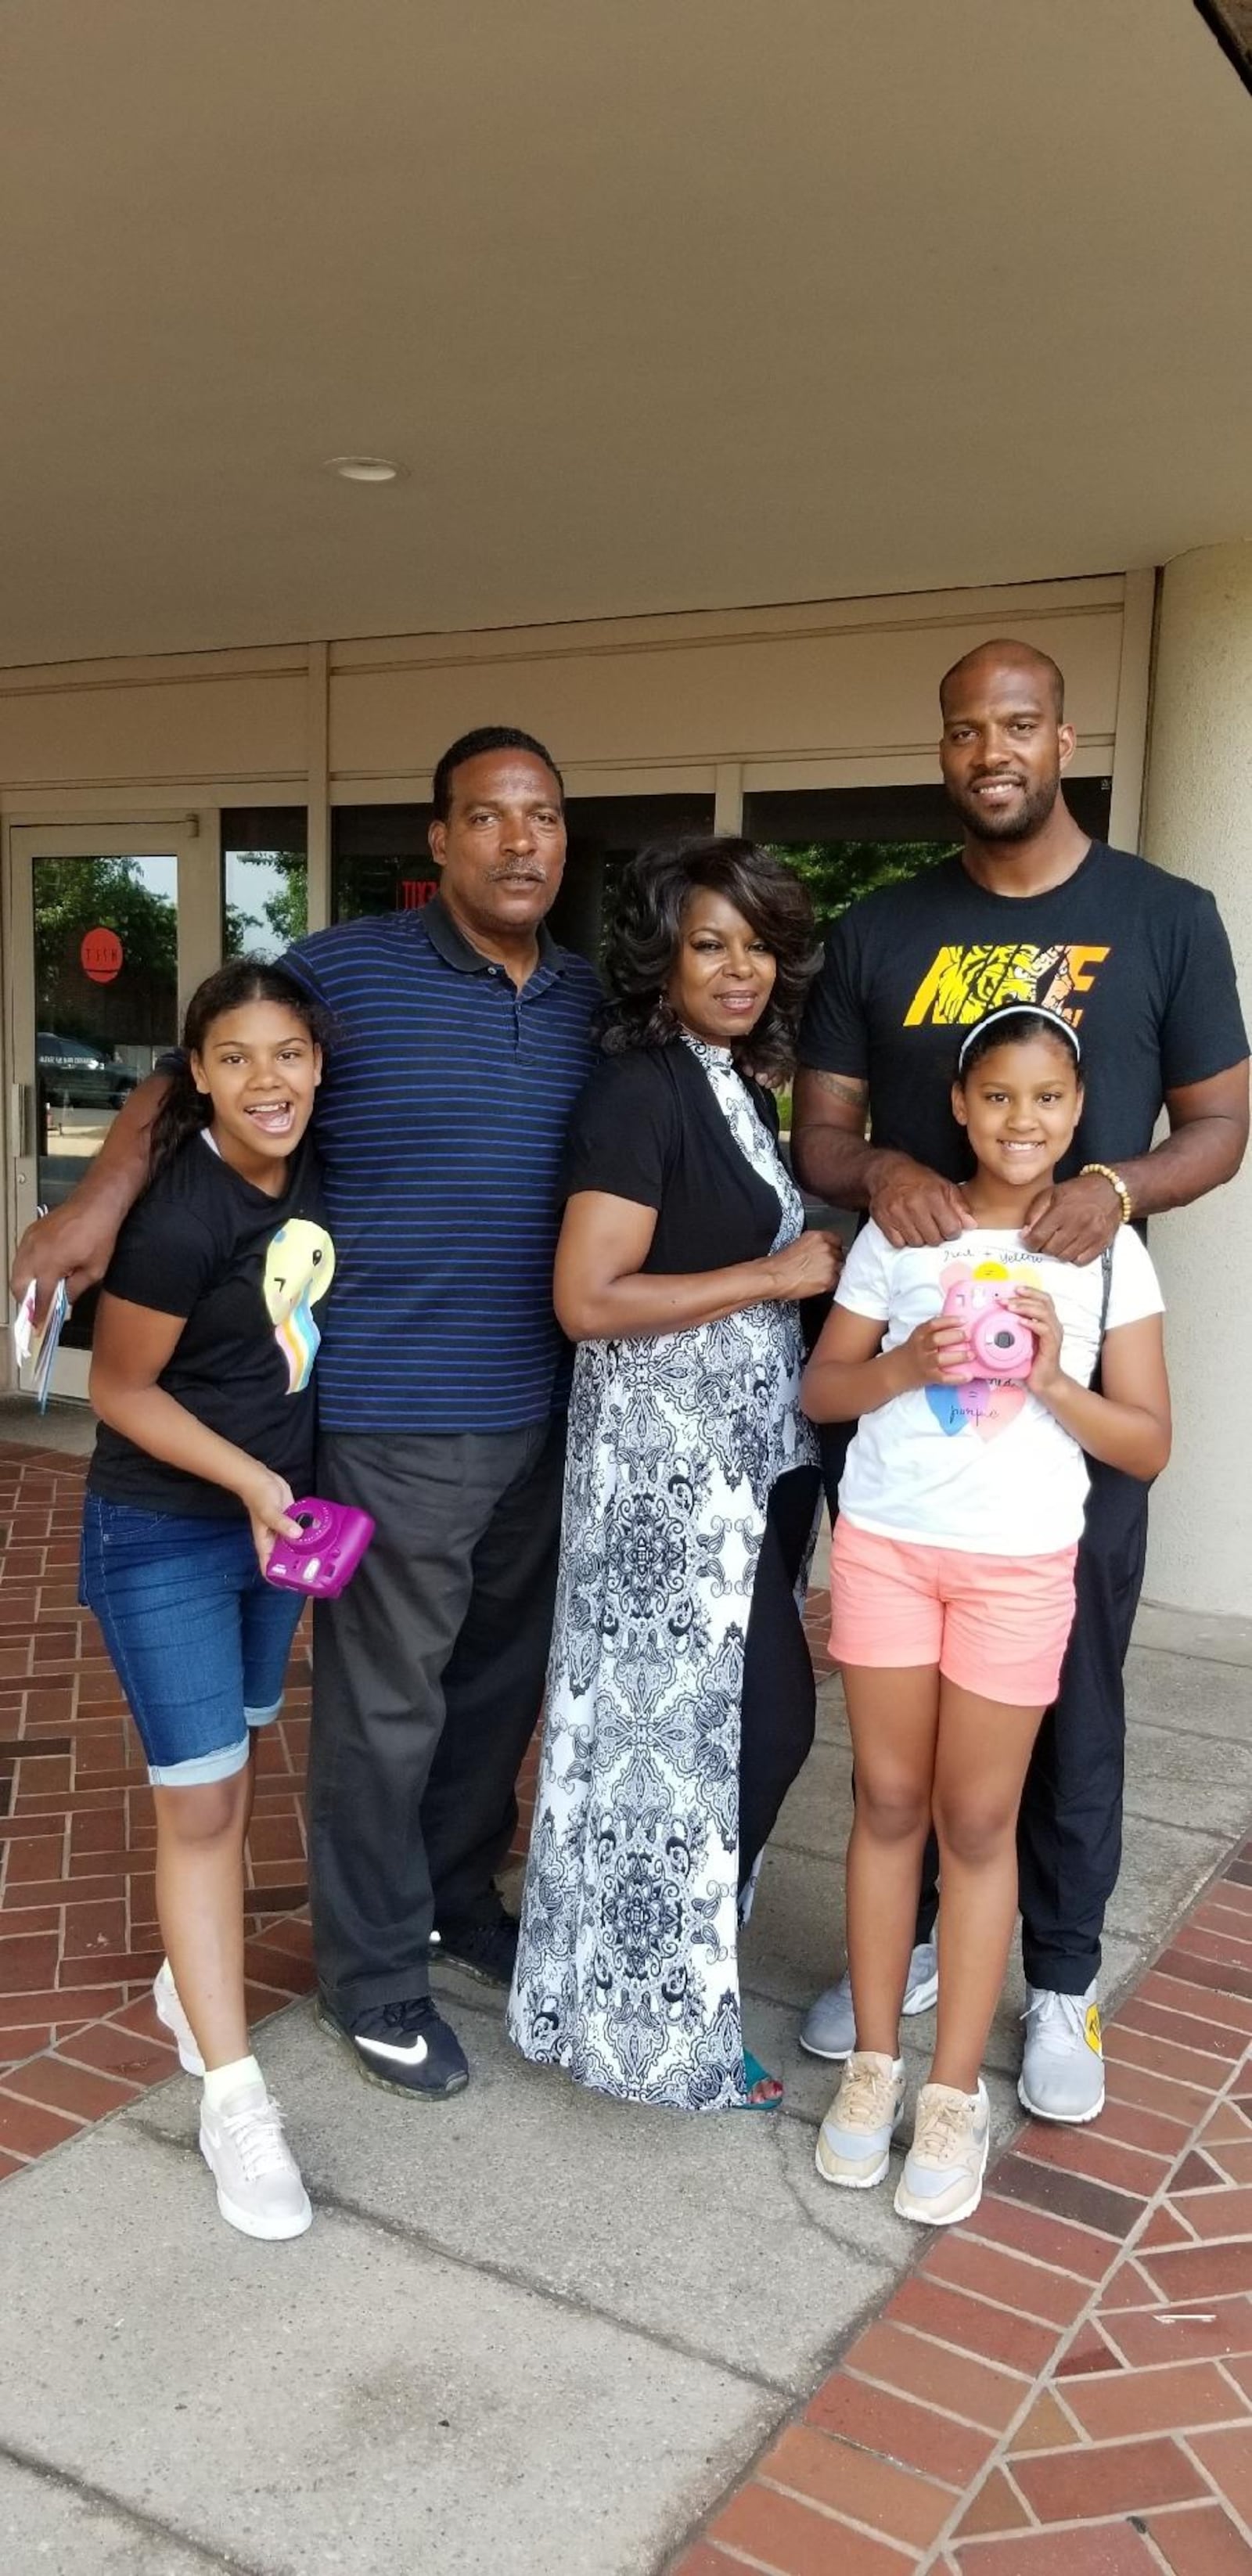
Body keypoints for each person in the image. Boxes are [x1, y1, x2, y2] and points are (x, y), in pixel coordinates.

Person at [14, 727, 603, 2105]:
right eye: (490, 818)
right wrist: (99, 1199)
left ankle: (457, 1900)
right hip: (393, 1412)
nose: (522, 842)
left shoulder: (589, 997)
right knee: (383, 1717)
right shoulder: (344, 973)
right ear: (440, 841)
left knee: (490, 1697)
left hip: (545, 1408)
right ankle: (372, 1973)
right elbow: (187, 1074)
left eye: (544, 818)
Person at [793, 639, 1248, 2123]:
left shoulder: (1166, 918)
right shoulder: (879, 932)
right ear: (943, 752)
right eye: (966, 730)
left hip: (1067, 1386)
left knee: (1077, 1694)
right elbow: (827, 1139)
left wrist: (1113, 1188)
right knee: (921, 1732)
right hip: (923, 1424)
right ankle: (921, 1946)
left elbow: (1222, 1124)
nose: (993, 749)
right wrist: (890, 1169)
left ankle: (1063, 1979)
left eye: (1021, 723)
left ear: (1065, 738)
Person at [802, 1003, 1171, 2224]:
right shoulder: (905, 1232)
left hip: (1019, 1566)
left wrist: (1056, 1374)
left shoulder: (1109, 1249)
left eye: (1049, 1099)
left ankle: (953, 2095)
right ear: (959, 1108)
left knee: (976, 1819)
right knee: (889, 1802)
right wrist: (910, 1362)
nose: (1024, 1120)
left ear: (1081, 1115)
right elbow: (825, 1387)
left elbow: (1150, 1443)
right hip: (892, 1548)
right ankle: (872, 2064)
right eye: (998, 1096)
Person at [507, 838, 841, 2110]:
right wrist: (773, 1275)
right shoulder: (641, 1091)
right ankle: (654, 2013)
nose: (741, 967)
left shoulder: (732, 1082)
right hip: (664, 1479)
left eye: (757, 944)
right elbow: (587, 1298)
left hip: (741, 1470)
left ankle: (660, 1986)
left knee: (717, 1738)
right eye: (712, 943)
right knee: (704, 1738)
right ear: (664, 959)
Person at [81, 959, 333, 2240]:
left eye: (286, 1052)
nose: (267, 1082)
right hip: (169, 1533)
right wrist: (249, 1480)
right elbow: (118, 1390)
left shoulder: (319, 1168)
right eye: (233, 1059)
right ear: (198, 1077)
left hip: (272, 1537)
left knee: (232, 1769)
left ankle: (197, 1988)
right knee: (203, 1800)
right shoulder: (183, 1214)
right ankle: (234, 2102)